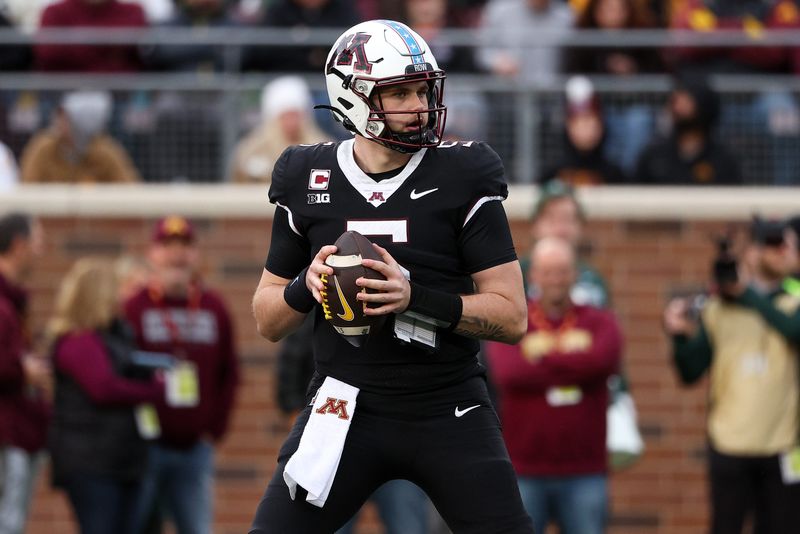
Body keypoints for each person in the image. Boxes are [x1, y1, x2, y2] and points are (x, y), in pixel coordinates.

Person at [249, 19, 533, 534]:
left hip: (447, 403)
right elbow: (267, 320)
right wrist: (305, 284)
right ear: (354, 97)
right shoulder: (306, 175)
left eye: (422, 91)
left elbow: (512, 317)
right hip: (343, 402)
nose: (419, 106)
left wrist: (413, 297)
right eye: (400, 93)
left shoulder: (462, 172)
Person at [663, 217, 800, 534]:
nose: (783, 251)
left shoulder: (793, 300)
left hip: (783, 446)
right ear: (750, 252)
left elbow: (793, 329)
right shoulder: (718, 308)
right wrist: (680, 336)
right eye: (773, 244)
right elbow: (690, 372)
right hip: (729, 447)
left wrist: (744, 293)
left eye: (788, 245)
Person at [487, 237, 622, 534]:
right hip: (524, 469)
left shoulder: (600, 321)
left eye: (562, 271)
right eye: (548, 272)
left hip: (585, 470)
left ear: (575, 274)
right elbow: (509, 372)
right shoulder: (516, 321)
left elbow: (603, 361)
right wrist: (575, 365)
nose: (555, 280)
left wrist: (540, 358)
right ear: (534, 274)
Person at [124, 215, 239, 534]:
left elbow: (229, 371)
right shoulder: (134, 307)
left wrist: (213, 429)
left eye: (184, 246)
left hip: (195, 449)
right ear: (152, 254)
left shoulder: (214, 307)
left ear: (195, 254)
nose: (176, 255)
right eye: (167, 246)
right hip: (145, 446)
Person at [46, 258, 165, 534]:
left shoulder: (113, 336)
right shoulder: (78, 342)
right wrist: (153, 391)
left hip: (119, 459)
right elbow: (103, 388)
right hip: (92, 462)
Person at [0, 212, 50, 534]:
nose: (41, 251)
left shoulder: (13, 301)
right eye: (37, 242)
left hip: (21, 430)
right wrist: (22, 369)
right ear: (19, 245)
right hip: (6, 433)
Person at [634, 75, 742, 185]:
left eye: (685, 101)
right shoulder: (654, 156)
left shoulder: (722, 160)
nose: (676, 107)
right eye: (674, 101)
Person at [20, 90, 141, 184]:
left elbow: (130, 188)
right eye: (59, 116)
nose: (59, 122)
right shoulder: (44, 148)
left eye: (66, 118)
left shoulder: (105, 152)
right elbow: (27, 186)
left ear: (83, 124)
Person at [230, 76, 331, 184]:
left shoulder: (322, 149)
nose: (291, 122)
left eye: (295, 115)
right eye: (285, 116)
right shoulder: (252, 149)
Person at [539, 76, 628, 186]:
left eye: (590, 121)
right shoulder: (553, 175)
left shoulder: (615, 174)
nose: (586, 129)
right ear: (569, 125)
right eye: (579, 122)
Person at [35, 0, 148, 72]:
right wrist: (112, 49)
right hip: (62, 90)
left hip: (122, 91)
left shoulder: (133, 11)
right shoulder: (54, 12)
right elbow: (47, 54)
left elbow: (141, 53)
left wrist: (74, 44)